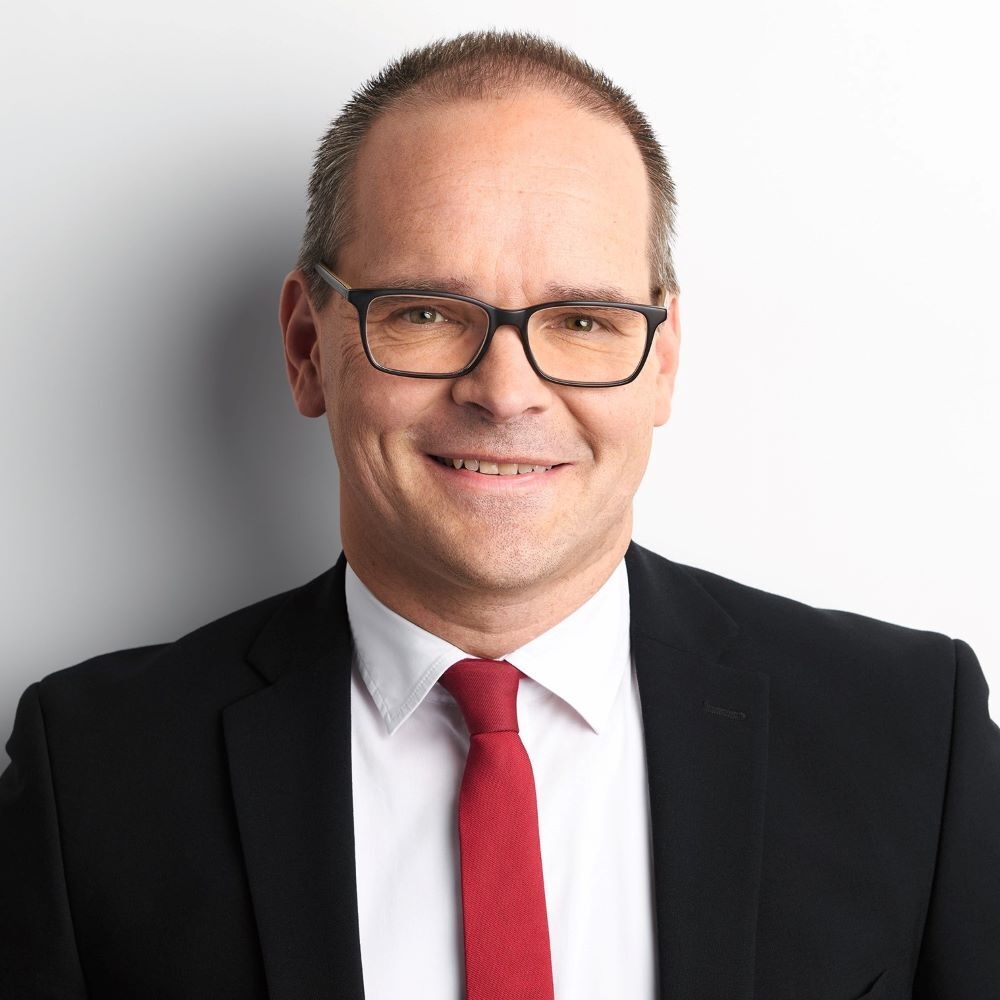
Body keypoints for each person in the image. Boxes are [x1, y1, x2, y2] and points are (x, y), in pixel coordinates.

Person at [1, 29, 997, 1000]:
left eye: (582, 320)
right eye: (427, 313)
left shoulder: (912, 737)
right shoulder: (92, 775)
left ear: (661, 360)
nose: (506, 393)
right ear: (308, 346)